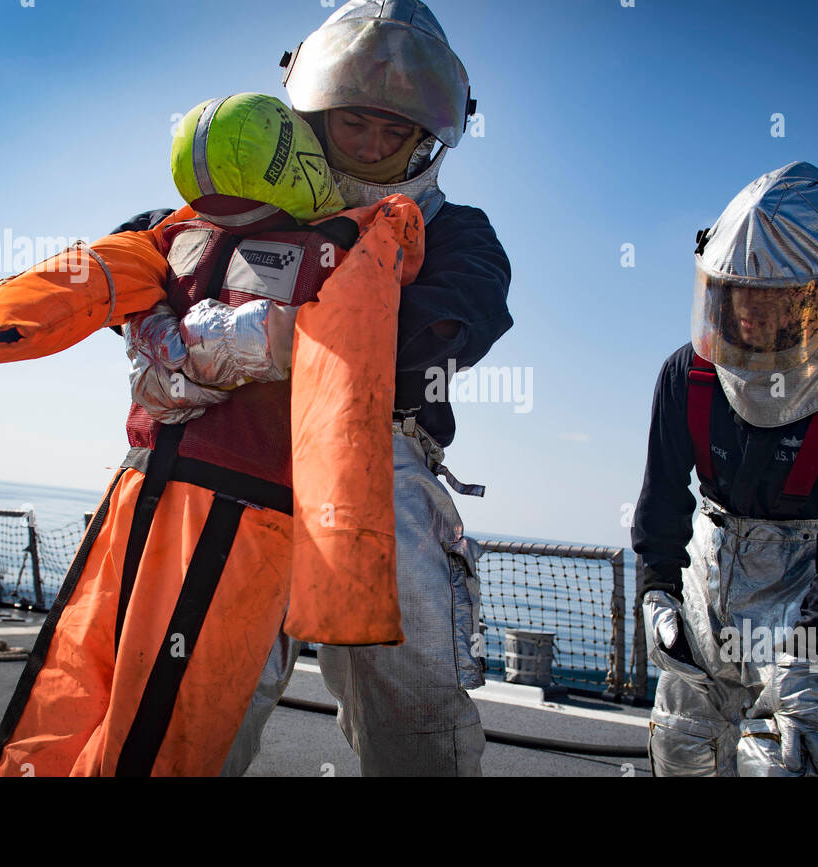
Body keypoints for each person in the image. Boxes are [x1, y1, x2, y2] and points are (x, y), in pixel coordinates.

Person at [117, 0, 512, 776]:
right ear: (314, 116)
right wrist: (148, 323)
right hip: (226, 462)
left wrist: (245, 339)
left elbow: (452, 317)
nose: (368, 147)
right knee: (192, 712)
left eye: (392, 131)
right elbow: (142, 251)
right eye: (351, 124)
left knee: (414, 712)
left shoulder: (458, 234)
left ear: (423, 138)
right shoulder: (245, 203)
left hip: (377, 471)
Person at [632, 161, 818, 777]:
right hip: (706, 579)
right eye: (736, 292)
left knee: (785, 764)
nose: (749, 313)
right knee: (680, 747)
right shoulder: (689, 374)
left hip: (806, 597)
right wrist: (657, 592)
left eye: (774, 297)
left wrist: (813, 653)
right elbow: (661, 498)